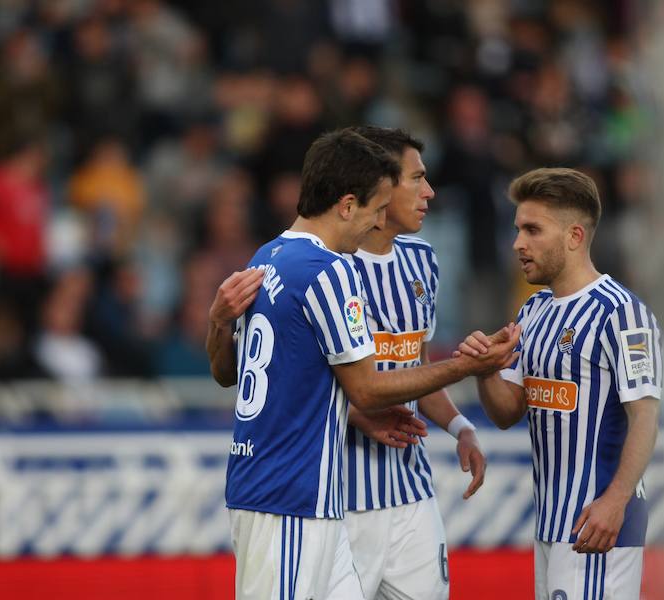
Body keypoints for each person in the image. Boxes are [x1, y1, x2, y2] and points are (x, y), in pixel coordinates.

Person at [207, 128, 520, 600]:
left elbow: (229, 374)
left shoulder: (267, 256)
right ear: (348, 205)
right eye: (376, 209)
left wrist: (217, 322)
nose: (377, 221)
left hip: (304, 494)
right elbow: (368, 390)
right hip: (289, 495)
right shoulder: (327, 270)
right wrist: (467, 366)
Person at [456, 168, 661, 599]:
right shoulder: (534, 310)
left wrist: (615, 501)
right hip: (552, 524)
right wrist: (484, 368)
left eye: (532, 230)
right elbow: (508, 411)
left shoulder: (622, 313)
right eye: (517, 229)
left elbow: (644, 415)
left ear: (574, 236)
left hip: (600, 525)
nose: (517, 244)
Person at [343, 126, 485, 600]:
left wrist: (460, 426)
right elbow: (293, 380)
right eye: (417, 179)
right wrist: (354, 412)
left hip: (411, 493)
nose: (429, 192)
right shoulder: (326, 267)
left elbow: (417, 367)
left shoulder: (423, 260)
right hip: (340, 501)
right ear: (380, 187)